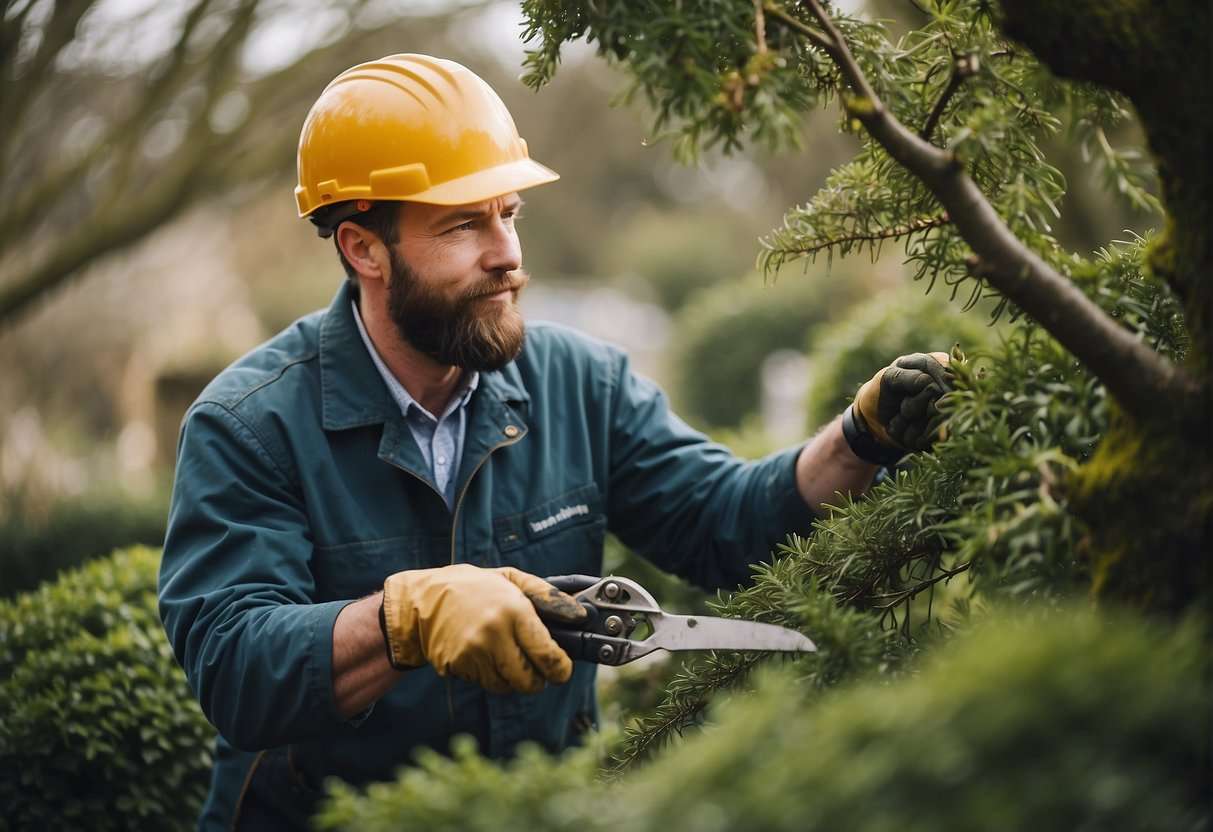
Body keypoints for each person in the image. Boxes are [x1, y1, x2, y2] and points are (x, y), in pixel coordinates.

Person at [158, 53, 952, 830]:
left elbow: (726, 525)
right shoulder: (250, 425)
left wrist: (858, 441)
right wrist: (405, 617)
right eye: (464, 223)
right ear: (363, 247)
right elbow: (234, 668)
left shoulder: (580, 383)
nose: (506, 254)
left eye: (508, 213)